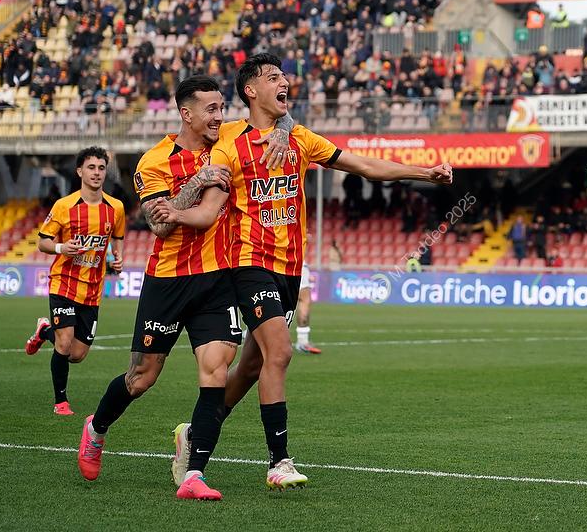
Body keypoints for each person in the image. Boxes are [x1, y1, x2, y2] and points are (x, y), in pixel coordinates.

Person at [157, 52, 452, 492]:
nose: (285, 83)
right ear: (250, 90)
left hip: (289, 268)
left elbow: (364, 165)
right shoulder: (229, 138)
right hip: (248, 263)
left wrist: (424, 173)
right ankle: (278, 461)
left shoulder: (298, 137)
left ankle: (196, 434)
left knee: (254, 366)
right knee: (280, 352)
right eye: (273, 77)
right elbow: (198, 150)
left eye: (285, 77)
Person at [75, 75, 293, 501]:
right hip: (168, 280)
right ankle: (96, 428)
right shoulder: (154, 161)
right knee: (142, 377)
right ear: (186, 113)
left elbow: (277, 115)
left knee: (215, 373)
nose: (219, 117)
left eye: (221, 108)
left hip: (218, 279)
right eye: (210, 109)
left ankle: (193, 473)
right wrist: (199, 179)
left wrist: (283, 131)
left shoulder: (228, 138)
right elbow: (159, 224)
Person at [24, 148, 125, 416]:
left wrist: (117, 258)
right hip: (64, 282)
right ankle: (61, 402)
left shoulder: (115, 207)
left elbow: (117, 237)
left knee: (76, 354)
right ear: (79, 171)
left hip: (92, 290)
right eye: (91, 167)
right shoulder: (64, 206)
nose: (96, 173)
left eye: (101, 168)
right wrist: (61, 248)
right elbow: (43, 242)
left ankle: (44, 331)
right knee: (64, 342)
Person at [294, 262, 320, 354]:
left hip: (267, 263)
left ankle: (258, 337)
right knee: (304, 299)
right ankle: (303, 341)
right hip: (294, 261)